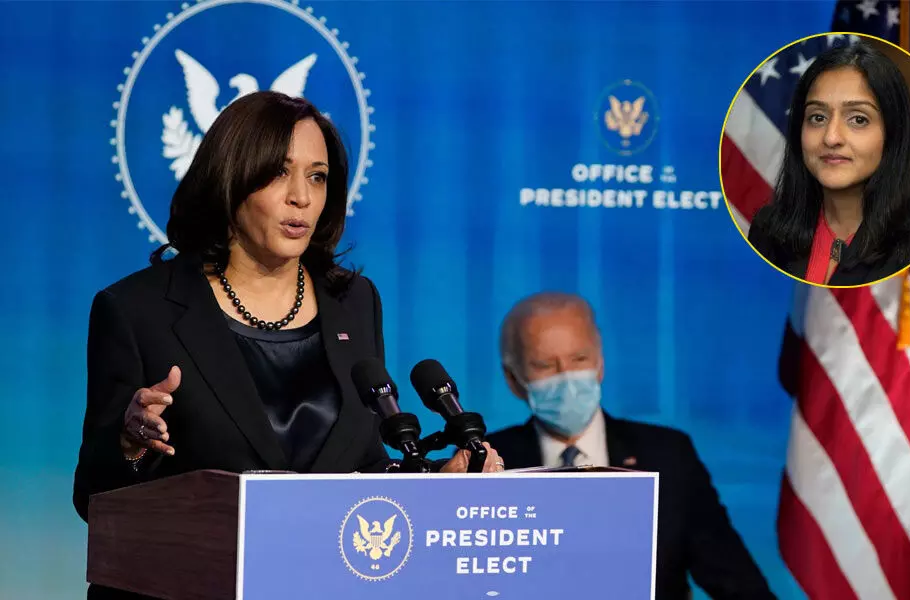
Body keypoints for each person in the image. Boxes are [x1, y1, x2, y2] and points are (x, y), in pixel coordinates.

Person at [73, 91, 503, 598]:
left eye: (317, 177)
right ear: (232, 177)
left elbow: (363, 465)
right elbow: (94, 498)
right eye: (279, 172)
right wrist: (130, 445)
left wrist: (434, 480)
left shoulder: (354, 300)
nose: (301, 196)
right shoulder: (138, 310)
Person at [485, 292, 775, 600]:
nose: (566, 377)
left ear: (600, 365)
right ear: (513, 379)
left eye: (579, 359)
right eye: (545, 365)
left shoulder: (669, 455)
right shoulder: (486, 463)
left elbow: (740, 584)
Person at [746, 41, 910, 286]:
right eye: (817, 117)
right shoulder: (768, 232)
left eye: (858, 119)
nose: (831, 137)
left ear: (892, 133)